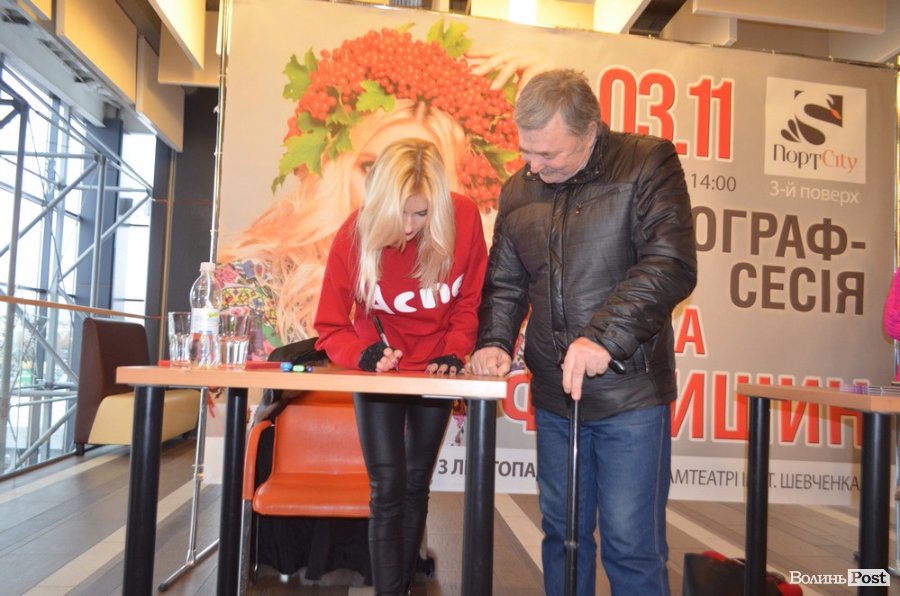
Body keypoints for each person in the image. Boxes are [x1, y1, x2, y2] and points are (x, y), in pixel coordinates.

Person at [468, 69, 697, 596]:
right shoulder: (518, 189)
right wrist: (495, 341)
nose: (533, 166)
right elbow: (505, 282)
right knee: (564, 539)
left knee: (630, 545)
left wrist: (603, 338)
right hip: (556, 399)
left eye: (548, 153)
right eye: (526, 151)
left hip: (628, 396)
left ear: (589, 130)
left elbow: (670, 262)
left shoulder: (647, 162)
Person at [313, 138, 488, 595]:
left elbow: (470, 300)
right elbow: (330, 326)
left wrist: (456, 350)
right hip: (380, 371)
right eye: (400, 214)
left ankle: (404, 586)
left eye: (421, 214)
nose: (409, 227)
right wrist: (364, 354)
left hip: (436, 370)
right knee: (387, 486)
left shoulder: (465, 219)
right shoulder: (354, 235)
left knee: (415, 484)